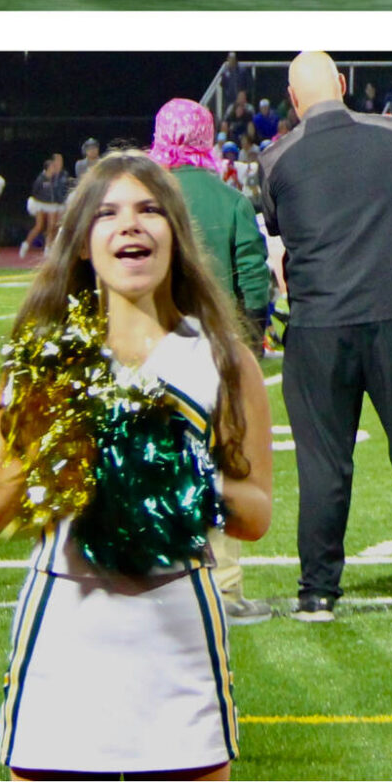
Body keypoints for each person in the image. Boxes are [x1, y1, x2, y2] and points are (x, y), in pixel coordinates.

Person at [0, 153, 273, 777]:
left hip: (179, 637)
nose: (130, 224)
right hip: (63, 634)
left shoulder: (223, 359)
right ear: (84, 244)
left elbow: (256, 514)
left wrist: (179, 473)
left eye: (149, 210)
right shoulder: (47, 357)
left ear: (176, 236)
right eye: (107, 213)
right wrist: (57, 446)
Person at [259, 52, 392, 620]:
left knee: (323, 463)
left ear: (293, 101)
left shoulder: (275, 158)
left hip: (320, 325)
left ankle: (318, 590)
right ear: (342, 84)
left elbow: (281, 228)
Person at [148, 98, 275, 626]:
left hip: (152, 345)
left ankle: (158, 580)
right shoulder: (230, 199)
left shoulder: (146, 199)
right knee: (224, 463)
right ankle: (222, 587)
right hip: (218, 348)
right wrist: (251, 342)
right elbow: (253, 277)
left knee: (155, 459)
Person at [22, 154, 69, 260]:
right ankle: (26, 244)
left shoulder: (62, 175)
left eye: (61, 161)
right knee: (39, 226)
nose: (59, 164)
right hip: (42, 204)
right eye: (57, 161)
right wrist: (40, 200)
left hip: (54, 204)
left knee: (52, 226)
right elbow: (35, 191)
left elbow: (64, 188)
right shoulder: (42, 178)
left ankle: (48, 248)